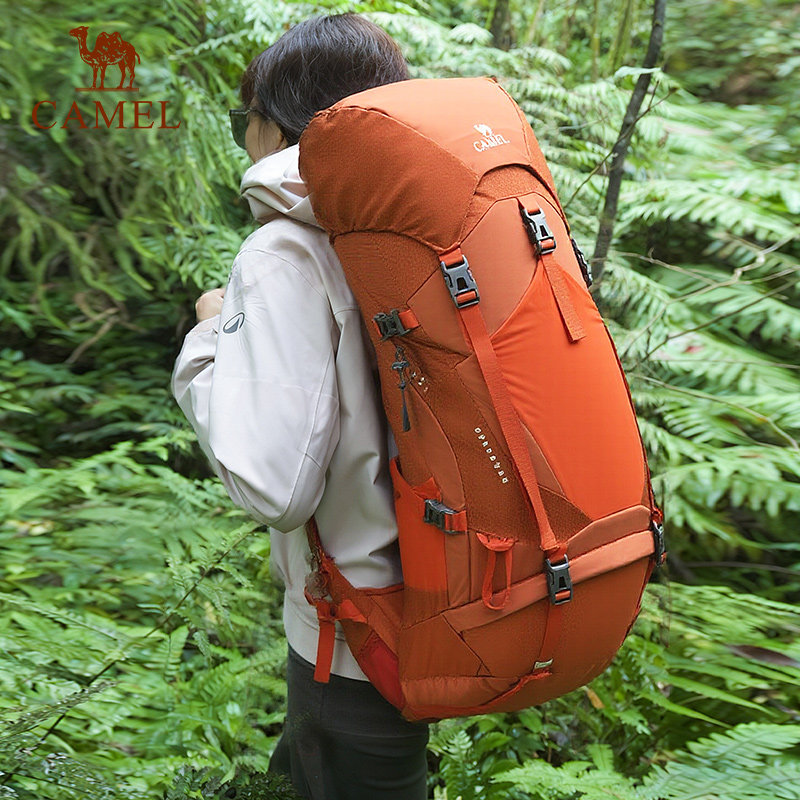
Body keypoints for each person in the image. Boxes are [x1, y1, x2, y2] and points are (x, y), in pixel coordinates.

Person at [170, 12, 430, 800]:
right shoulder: (411, 225)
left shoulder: (287, 250)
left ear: (276, 124)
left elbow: (273, 487)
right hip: (440, 595)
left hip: (353, 637)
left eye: (243, 120)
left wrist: (208, 341)